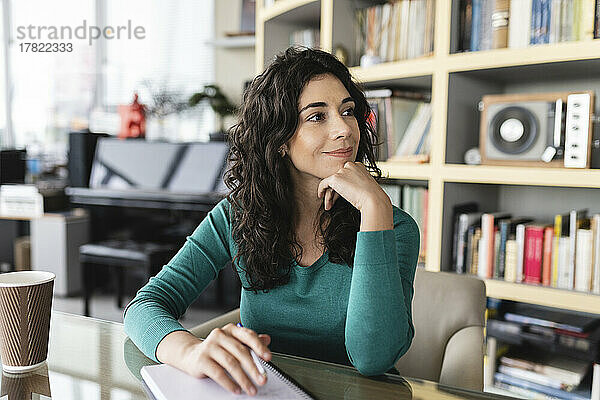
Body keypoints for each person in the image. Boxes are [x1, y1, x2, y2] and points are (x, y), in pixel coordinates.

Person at [124, 46, 420, 396]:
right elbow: (145, 305)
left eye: (348, 111)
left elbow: (373, 358)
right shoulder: (237, 215)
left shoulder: (392, 226)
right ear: (280, 139)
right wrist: (189, 350)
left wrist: (374, 208)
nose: (344, 129)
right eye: (317, 116)